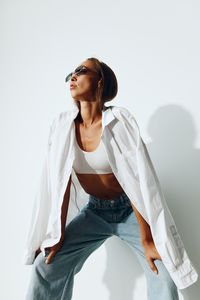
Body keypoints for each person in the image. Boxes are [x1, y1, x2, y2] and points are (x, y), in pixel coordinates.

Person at [24, 57, 198, 300]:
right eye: (71, 73)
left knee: (163, 269)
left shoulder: (120, 121)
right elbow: (59, 184)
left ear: (99, 82)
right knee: (46, 265)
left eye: (82, 70)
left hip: (129, 211)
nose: (73, 76)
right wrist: (58, 233)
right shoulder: (62, 126)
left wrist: (147, 238)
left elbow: (138, 181)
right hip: (95, 212)